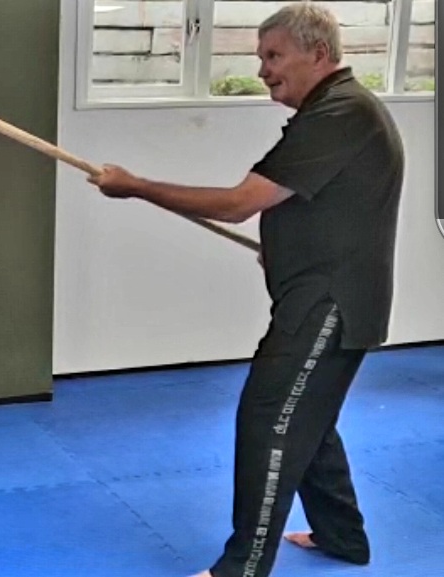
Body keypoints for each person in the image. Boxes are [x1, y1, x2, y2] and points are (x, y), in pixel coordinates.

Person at [86, 4, 403, 577]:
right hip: (322, 296)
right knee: (306, 418)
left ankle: (242, 567)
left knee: (270, 418)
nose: (263, 70)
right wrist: (284, 247)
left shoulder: (341, 112)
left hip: (330, 304)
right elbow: (320, 207)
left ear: (319, 54)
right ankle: (343, 537)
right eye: (261, 58)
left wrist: (135, 186)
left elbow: (238, 204)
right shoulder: (335, 109)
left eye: (274, 56)